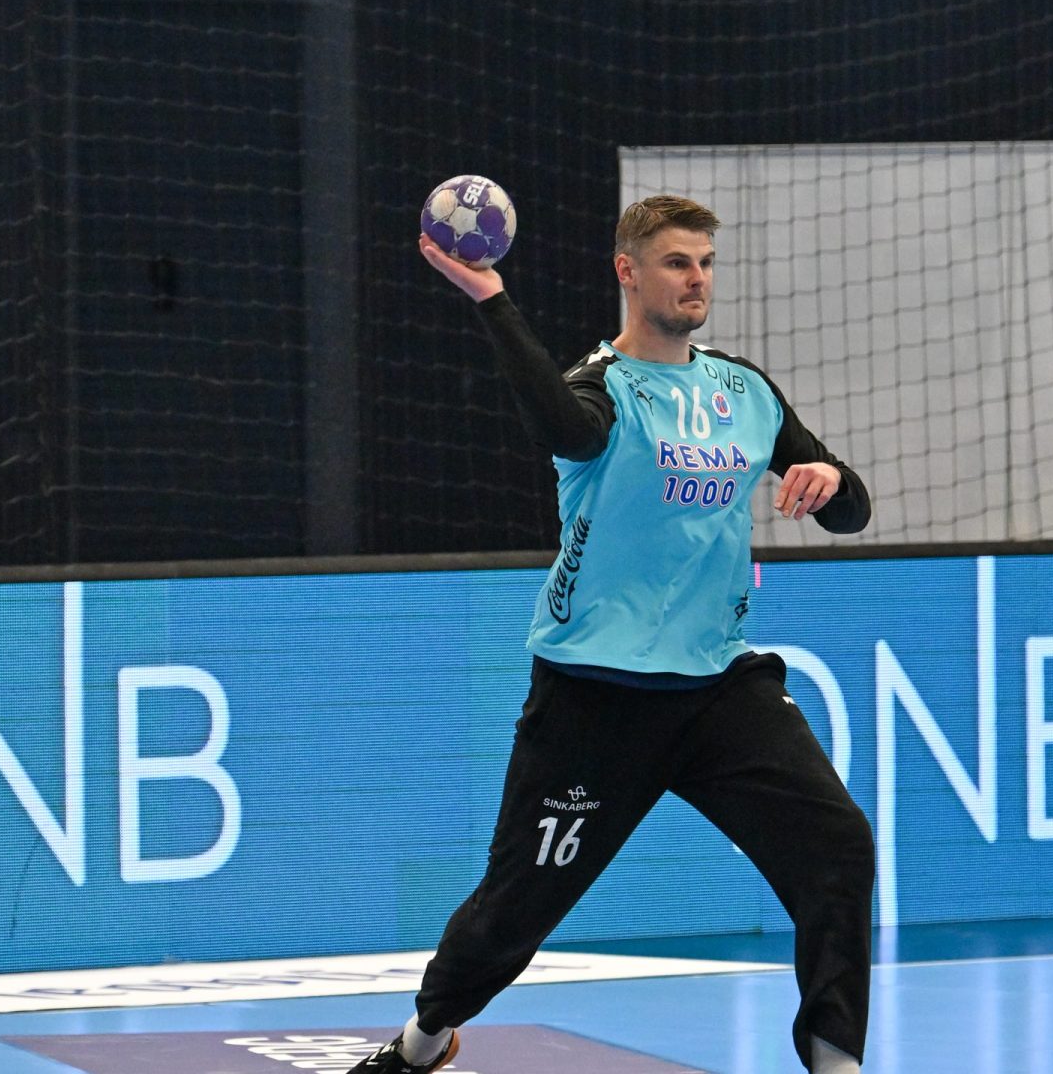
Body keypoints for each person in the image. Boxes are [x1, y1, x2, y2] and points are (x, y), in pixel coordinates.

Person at [347, 195, 875, 1074]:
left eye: (705, 262)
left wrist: (829, 476)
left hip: (718, 690)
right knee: (511, 913)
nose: (697, 279)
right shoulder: (601, 388)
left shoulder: (743, 391)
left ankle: (836, 1064)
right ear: (628, 272)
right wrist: (492, 301)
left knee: (839, 848)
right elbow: (560, 425)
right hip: (594, 696)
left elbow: (848, 510)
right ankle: (422, 1043)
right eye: (677, 262)